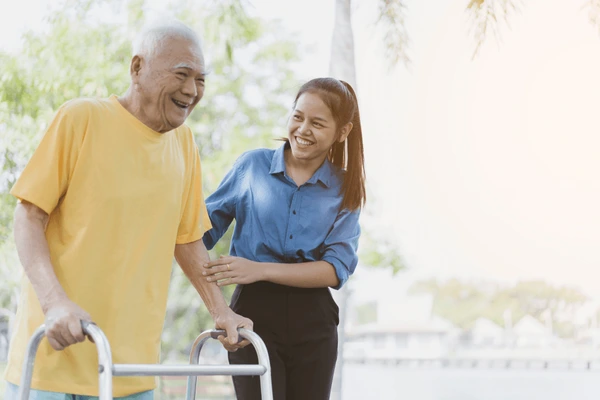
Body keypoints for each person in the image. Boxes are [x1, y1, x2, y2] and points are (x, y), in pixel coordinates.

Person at [3, 20, 252, 399]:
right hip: (54, 360)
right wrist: (54, 303)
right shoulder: (82, 118)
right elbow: (28, 216)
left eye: (201, 79)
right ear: (137, 68)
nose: (192, 90)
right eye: (182, 75)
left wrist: (221, 310)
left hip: (130, 370)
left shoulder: (184, 145)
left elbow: (186, 241)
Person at [202, 77, 366, 399]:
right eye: (297, 116)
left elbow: (335, 270)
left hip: (315, 321)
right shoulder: (251, 167)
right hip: (252, 314)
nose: (303, 129)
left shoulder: (346, 188)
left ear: (342, 132)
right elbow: (196, 234)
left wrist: (260, 269)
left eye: (317, 123)